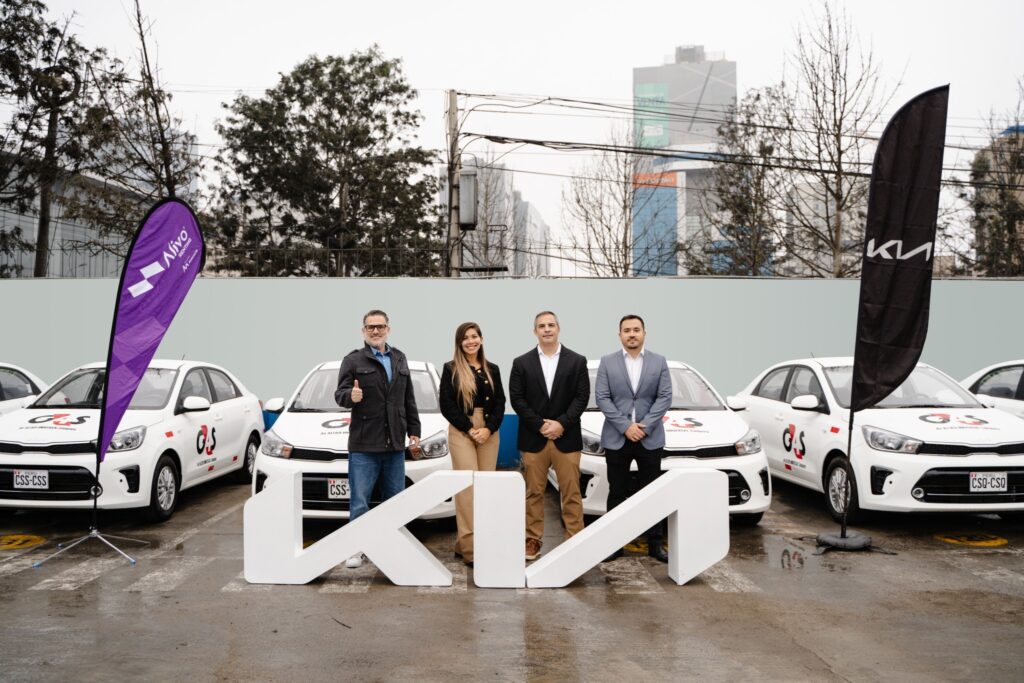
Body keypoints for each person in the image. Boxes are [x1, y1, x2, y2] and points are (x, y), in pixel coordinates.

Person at [335, 309, 421, 569]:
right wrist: (351, 397)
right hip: (364, 445)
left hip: (394, 443)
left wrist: (414, 430)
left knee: (395, 501)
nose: (375, 331)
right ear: (363, 331)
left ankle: (392, 547)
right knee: (360, 502)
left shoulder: (399, 358)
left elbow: (407, 398)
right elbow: (340, 395)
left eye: (380, 326)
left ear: (388, 329)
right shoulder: (352, 360)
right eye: (370, 327)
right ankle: (356, 549)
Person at [509, 311, 590, 561]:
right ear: (535, 331)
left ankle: (575, 538)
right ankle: (532, 539)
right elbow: (517, 399)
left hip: (567, 437)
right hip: (534, 439)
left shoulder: (576, 361)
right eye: (542, 326)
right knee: (534, 493)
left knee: (571, 492)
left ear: (558, 328)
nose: (547, 329)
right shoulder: (521, 363)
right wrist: (540, 425)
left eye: (551, 325)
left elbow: (581, 397)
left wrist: (561, 424)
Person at [594, 314, 672, 563]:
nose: (631, 334)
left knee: (652, 493)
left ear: (644, 333)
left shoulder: (659, 362)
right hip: (617, 437)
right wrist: (626, 427)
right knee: (617, 492)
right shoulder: (607, 362)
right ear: (620, 335)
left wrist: (644, 427)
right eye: (626, 330)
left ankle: (655, 544)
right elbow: (602, 398)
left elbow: (665, 397)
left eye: (636, 329)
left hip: (650, 438)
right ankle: (614, 545)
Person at [438, 322, 505, 567]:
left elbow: (501, 402)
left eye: (474, 336)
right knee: (467, 488)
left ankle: (469, 541)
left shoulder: (493, 369)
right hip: (462, 429)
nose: (470, 341)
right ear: (459, 343)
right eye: (465, 338)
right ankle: (471, 549)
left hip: (489, 430)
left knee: (486, 487)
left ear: (481, 339)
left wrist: (488, 429)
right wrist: (469, 429)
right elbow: (446, 404)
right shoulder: (451, 368)